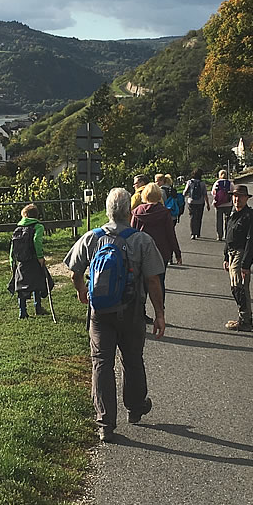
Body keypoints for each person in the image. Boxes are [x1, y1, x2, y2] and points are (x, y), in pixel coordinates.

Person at [65, 187, 166, 443]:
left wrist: (81, 293)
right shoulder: (141, 240)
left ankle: (105, 422)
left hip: (99, 313)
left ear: (108, 211)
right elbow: (153, 280)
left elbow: (74, 271)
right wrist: (159, 314)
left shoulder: (91, 237)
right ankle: (134, 408)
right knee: (132, 359)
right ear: (129, 212)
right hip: (132, 311)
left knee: (101, 363)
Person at [132, 183, 182, 319]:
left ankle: (141, 312)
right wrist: (177, 252)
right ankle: (160, 311)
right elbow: (170, 234)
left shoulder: (137, 212)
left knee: (141, 284)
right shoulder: (164, 212)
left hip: (141, 252)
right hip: (161, 252)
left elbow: (132, 233)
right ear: (159, 196)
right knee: (159, 282)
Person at [222, 184, 253, 331]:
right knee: (240, 288)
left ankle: (245, 321)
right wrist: (225, 256)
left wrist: (245, 265)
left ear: (246, 198)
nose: (237, 199)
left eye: (240, 196)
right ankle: (245, 319)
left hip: (241, 254)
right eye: (235, 196)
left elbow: (251, 241)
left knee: (238, 288)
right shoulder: (233, 214)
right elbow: (228, 236)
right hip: (232, 253)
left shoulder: (250, 216)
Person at [8, 203, 49, 319]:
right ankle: (38, 307)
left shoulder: (18, 228)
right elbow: (37, 241)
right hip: (33, 259)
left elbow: (13, 246)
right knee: (37, 282)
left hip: (21, 261)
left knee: (21, 286)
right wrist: (40, 256)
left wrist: (12, 261)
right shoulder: (38, 227)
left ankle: (23, 311)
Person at [182, 169, 211, 240]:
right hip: (200, 202)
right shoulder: (202, 183)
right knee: (199, 217)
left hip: (191, 202)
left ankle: (193, 233)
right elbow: (205, 194)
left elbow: (185, 192)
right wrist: (208, 204)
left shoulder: (189, 182)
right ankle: (198, 233)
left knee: (192, 217)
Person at [212, 169, 234, 241]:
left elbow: (213, 193)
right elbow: (233, 192)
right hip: (228, 203)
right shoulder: (230, 183)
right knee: (228, 220)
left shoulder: (217, 183)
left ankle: (219, 235)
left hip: (219, 204)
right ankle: (227, 235)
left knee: (219, 220)